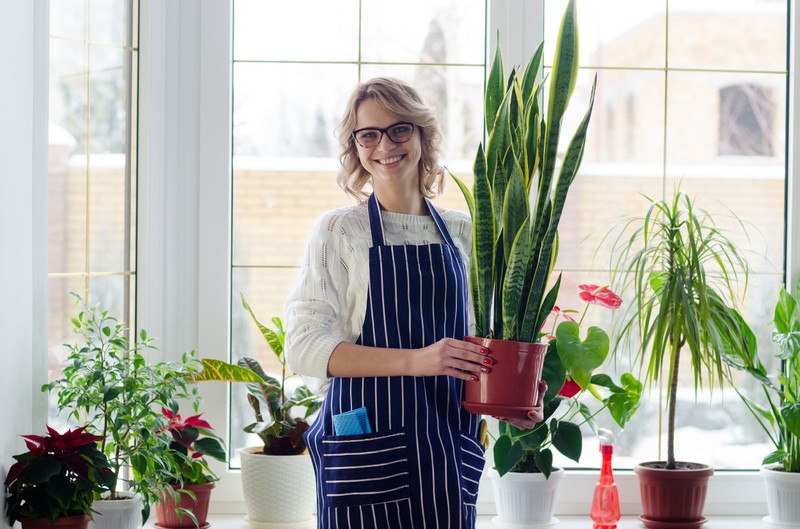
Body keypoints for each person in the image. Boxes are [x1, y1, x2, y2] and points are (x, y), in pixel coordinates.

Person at [284, 77, 546, 529]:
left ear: (423, 136)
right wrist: (419, 360)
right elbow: (303, 347)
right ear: (356, 146)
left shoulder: (465, 231)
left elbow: (481, 342)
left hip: (445, 445)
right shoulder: (339, 232)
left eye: (399, 129)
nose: (385, 145)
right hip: (367, 441)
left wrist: (512, 397)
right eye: (369, 134)